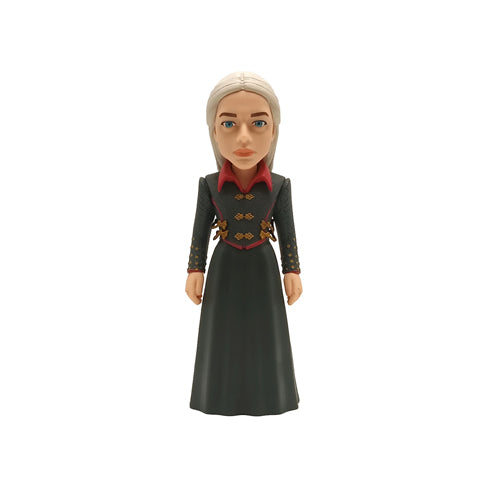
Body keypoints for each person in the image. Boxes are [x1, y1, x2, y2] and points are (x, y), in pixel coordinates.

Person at [185, 71, 303, 416]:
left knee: (266, 331)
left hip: (263, 265)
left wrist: (292, 270)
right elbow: (199, 231)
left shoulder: (279, 185)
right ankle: (217, 395)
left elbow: (288, 231)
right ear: (213, 131)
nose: (244, 137)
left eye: (259, 123)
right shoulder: (209, 185)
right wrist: (195, 269)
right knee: (221, 332)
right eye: (228, 124)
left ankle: (271, 395)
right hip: (224, 266)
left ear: (274, 130)